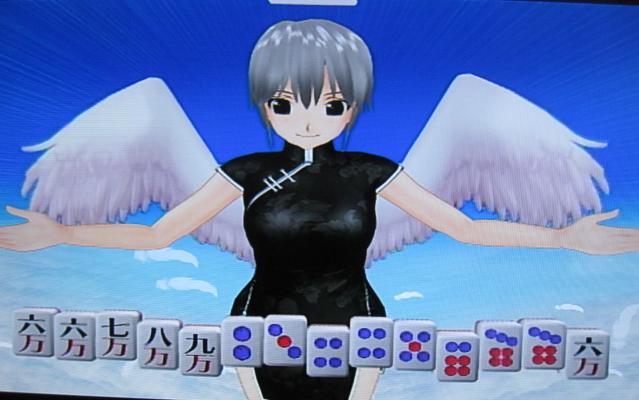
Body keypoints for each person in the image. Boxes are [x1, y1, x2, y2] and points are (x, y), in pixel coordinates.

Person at [1, 19, 638, 400]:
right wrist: (60, 232)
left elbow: (466, 230)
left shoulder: (371, 173)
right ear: (265, 104)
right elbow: (161, 233)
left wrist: (566, 240)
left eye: (331, 104)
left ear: (351, 108)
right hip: (255, 329)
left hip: (360, 332)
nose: (308, 118)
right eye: (286, 103)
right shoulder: (245, 172)